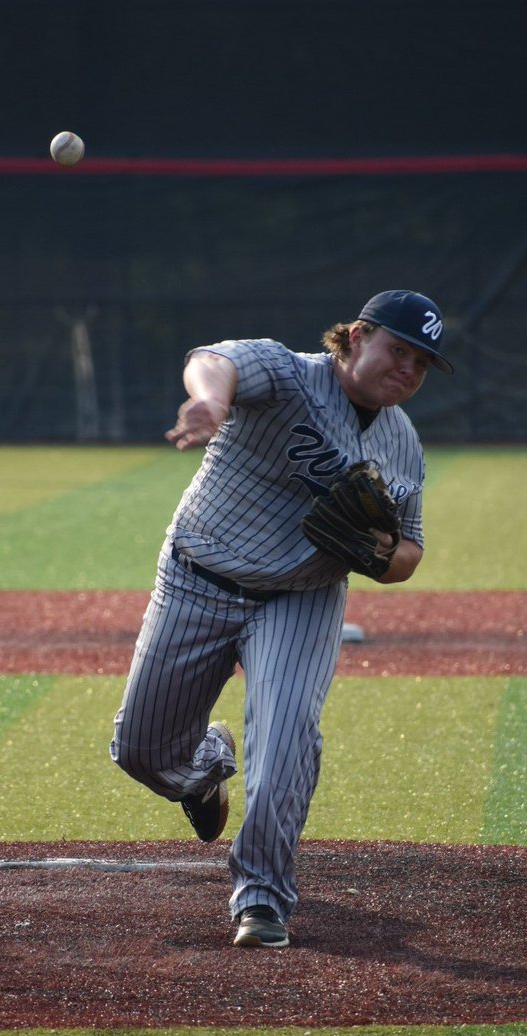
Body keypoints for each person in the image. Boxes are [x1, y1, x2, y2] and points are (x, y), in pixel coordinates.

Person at [110, 290, 453, 949]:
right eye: (399, 350)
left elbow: (408, 552)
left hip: (302, 598)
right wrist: (210, 402)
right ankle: (206, 766)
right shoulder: (287, 373)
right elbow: (214, 360)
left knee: (287, 736)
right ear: (357, 337)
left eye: (422, 363)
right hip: (197, 575)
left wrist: (380, 555)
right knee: (143, 751)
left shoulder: (403, 446)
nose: (408, 369)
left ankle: (261, 897)